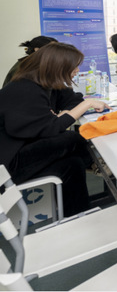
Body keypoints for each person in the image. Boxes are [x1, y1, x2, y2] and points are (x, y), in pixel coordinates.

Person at [0, 43, 110, 217]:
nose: (77, 70)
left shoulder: (37, 85)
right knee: (73, 138)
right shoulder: (25, 89)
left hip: (16, 154)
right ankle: (98, 165)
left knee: (72, 165)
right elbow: (51, 129)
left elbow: (45, 124)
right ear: (59, 66)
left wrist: (58, 117)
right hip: (8, 165)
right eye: (74, 66)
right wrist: (87, 104)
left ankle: (79, 217)